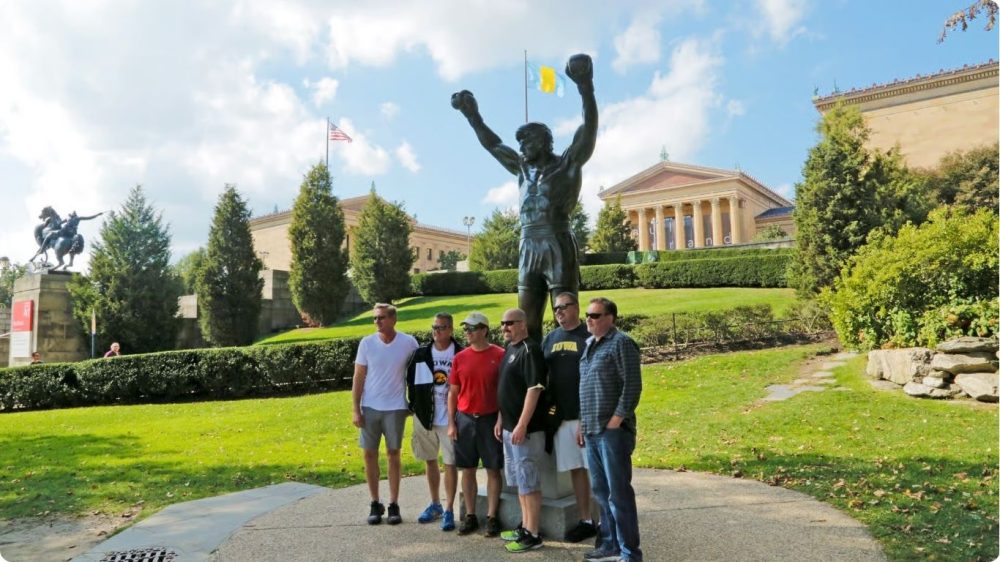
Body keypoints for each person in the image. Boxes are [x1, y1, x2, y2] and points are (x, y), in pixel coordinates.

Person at [451, 53, 597, 344]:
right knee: (525, 324)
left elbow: (589, 128)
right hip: (528, 243)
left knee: (567, 318)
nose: (520, 148)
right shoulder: (521, 168)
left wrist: (585, 86)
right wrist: (472, 116)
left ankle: (573, 365)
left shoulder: (567, 164)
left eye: (525, 142)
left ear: (542, 141)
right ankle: (532, 370)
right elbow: (493, 144)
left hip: (557, 240)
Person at [578, 298, 643, 562]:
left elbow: (632, 386)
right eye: (587, 315)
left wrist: (616, 419)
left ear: (611, 318)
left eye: (595, 315)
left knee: (619, 495)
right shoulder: (589, 345)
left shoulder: (622, 343)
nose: (589, 319)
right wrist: (582, 424)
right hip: (592, 431)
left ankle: (630, 553)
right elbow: (585, 389)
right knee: (602, 494)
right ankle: (610, 544)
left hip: (613, 433)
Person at [352, 303, 419, 525]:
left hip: (396, 407)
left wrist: (414, 403)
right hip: (370, 407)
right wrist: (356, 408)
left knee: (393, 453)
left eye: (380, 317)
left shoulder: (409, 343)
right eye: (375, 318)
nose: (377, 322)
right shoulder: (367, 343)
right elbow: (358, 376)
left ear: (393, 319)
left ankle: (393, 504)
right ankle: (374, 502)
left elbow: (418, 374)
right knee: (369, 454)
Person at [541, 292, 597, 543]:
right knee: (576, 470)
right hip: (562, 418)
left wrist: (587, 417)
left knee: (597, 471)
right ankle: (586, 521)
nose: (559, 312)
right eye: (556, 308)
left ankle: (606, 522)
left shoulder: (589, 336)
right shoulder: (550, 338)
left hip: (588, 416)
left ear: (576, 307)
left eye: (564, 306)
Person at [448, 311, 505, 537]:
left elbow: (504, 392)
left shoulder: (499, 355)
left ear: (484, 330)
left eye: (472, 328)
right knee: (468, 469)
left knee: (493, 469)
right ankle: (470, 516)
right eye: (466, 329)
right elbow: (453, 393)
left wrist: (501, 418)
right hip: (465, 419)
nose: (468, 332)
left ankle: (492, 517)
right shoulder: (460, 358)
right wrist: (452, 423)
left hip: (490, 419)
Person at [406, 313, 464, 531]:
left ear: (450, 329)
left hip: (450, 418)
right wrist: (414, 406)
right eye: (434, 327)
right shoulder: (421, 354)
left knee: (450, 463)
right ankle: (435, 504)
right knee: (430, 460)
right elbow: (410, 382)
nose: (436, 331)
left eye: (441, 327)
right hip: (425, 417)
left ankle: (449, 509)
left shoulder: (461, 353)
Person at [496, 308, 547, 553]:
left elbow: (534, 388)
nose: (504, 327)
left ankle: (534, 534)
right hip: (508, 428)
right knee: (519, 482)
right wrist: (501, 419)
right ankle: (525, 526)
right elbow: (506, 389)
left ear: (523, 324)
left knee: (529, 483)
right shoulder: (510, 349)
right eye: (502, 323)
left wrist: (522, 423)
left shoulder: (530, 350)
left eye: (510, 323)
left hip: (525, 431)